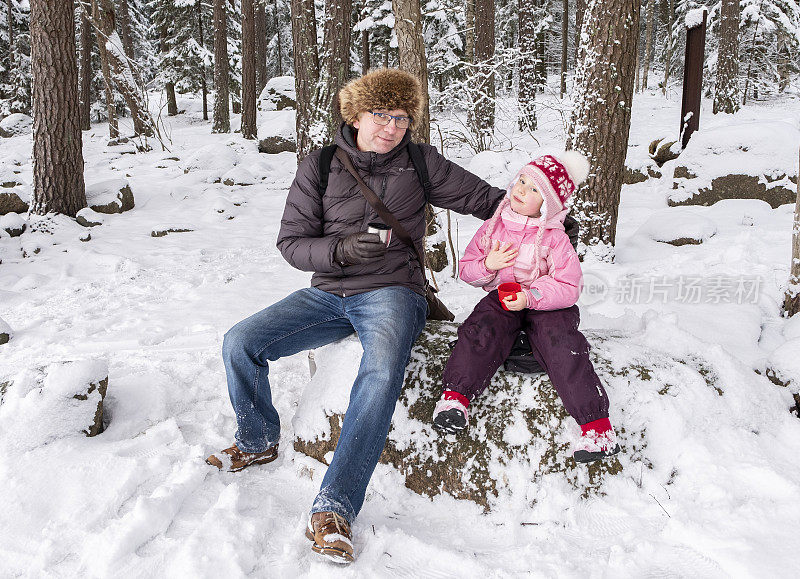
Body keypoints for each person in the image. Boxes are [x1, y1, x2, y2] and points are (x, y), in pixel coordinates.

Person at [206, 68, 523, 564]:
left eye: (400, 117)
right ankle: (258, 437)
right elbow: (291, 243)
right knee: (240, 342)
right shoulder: (321, 164)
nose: (391, 127)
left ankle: (335, 506)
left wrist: (540, 218)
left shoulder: (419, 162)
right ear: (354, 115)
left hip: (394, 292)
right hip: (329, 292)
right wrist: (343, 250)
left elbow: (483, 199)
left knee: (379, 374)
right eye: (381, 115)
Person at [431, 152, 621, 464]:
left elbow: (570, 286)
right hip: (504, 298)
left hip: (548, 304)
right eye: (521, 180)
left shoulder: (556, 239)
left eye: (534, 189)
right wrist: (488, 265)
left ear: (547, 205)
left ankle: (597, 427)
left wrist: (532, 295)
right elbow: (467, 269)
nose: (521, 189)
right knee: (480, 328)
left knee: (562, 344)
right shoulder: (494, 227)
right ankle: (455, 399)